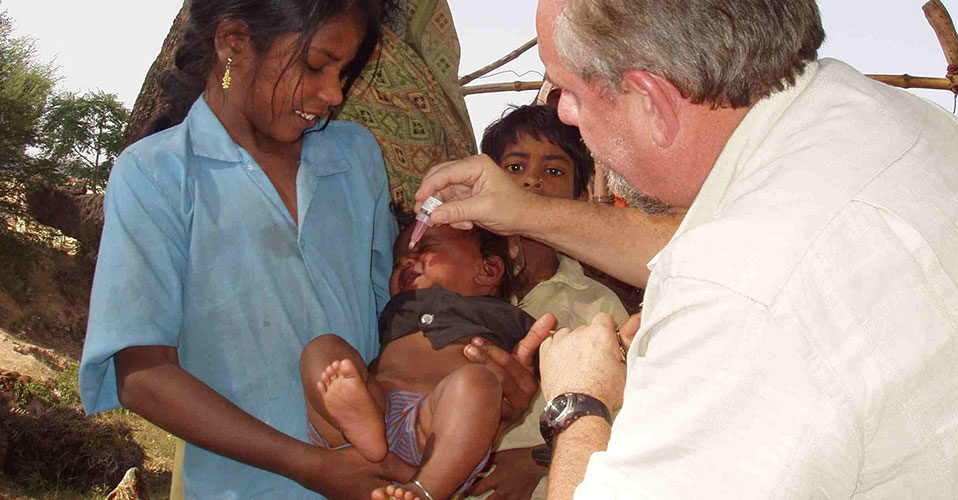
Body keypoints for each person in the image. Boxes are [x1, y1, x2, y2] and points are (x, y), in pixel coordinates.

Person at [413, 0, 958, 498]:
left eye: (569, 91)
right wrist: (529, 214)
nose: (562, 111)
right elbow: (713, 240)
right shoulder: (870, 116)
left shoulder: (739, 299)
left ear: (651, 100)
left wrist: (577, 403)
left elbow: (745, 283)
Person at [77, 1, 540, 497]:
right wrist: (309, 466)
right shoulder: (156, 174)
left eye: (344, 71)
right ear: (234, 43)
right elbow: (144, 377)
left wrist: (484, 393)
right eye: (316, 65)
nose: (333, 93)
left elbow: (394, 319)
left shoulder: (354, 155)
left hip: (389, 481)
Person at [299, 220, 538, 500]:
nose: (404, 261)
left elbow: (563, 367)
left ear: (488, 270)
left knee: (478, 383)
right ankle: (362, 426)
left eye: (424, 248)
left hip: (434, 427)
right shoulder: (397, 309)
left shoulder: (507, 318)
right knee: (323, 347)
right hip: (372, 404)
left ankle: (425, 490)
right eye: (397, 262)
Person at [467, 104, 629, 499]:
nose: (532, 183)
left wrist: (536, 460)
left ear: (579, 195)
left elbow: (627, 423)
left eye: (553, 171)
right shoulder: (459, 286)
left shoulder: (599, 309)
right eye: (515, 168)